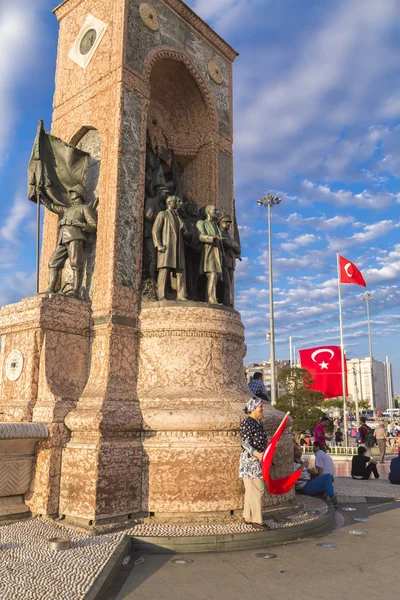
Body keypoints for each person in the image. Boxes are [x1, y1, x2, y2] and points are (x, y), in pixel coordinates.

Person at [41, 184, 97, 298]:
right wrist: (41, 196)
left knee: (76, 264)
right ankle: (51, 288)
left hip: (75, 236)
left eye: (73, 192)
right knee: (53, 263)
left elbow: (93, 225)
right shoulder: (67, 209)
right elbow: (52, 206)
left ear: (79, 194)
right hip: (62, 238)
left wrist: (80, 224)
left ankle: (75, 291)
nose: (70, 194)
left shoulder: (85, 208)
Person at [152, 195, 191, 301]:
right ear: (169, 202)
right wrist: (158, 245)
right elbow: (155, 230)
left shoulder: (178, 217)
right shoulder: (163, 214)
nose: (179, 203)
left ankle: (181, 295)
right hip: (166, 247)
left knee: (180, 271)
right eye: (176, 201)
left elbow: (185, 233)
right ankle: (161, 295)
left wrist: (185, 231)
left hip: (178, 249)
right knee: (164, 271)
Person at [239, 397, 269, 529]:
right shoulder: (248, 422)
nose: (262, 408)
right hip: (251, 461)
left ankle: (248, 516)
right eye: (260, 406)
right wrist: (258, 454)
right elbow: (244, 443)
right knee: (258, 489)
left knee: (252, 490)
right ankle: (257, 520)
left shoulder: (258, 422)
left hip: (257, 459)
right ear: (253, 408)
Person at [197, 205, 224, 305]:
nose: (216, 211)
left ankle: (210, 297)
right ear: (208, 212)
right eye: (214, 210)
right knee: (212, 274)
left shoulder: (216, 225)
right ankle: (211, 299)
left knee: (215, 275)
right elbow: (201, 236)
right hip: (208, 251)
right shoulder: (202, 223)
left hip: (217, 252)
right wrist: (214, 238)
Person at [218, 214, 241, 307]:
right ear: (220, 223)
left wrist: (235, 246)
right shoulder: (220, 233)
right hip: (224, 261)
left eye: (229, 222)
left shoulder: (227, 234)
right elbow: (229, 243)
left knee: (229, 284)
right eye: (226, 222)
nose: (228, 224)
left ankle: (226, 301)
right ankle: (225, 301)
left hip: (231, 263)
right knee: (225, 283)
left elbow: (237, 247)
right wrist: (235, 245)